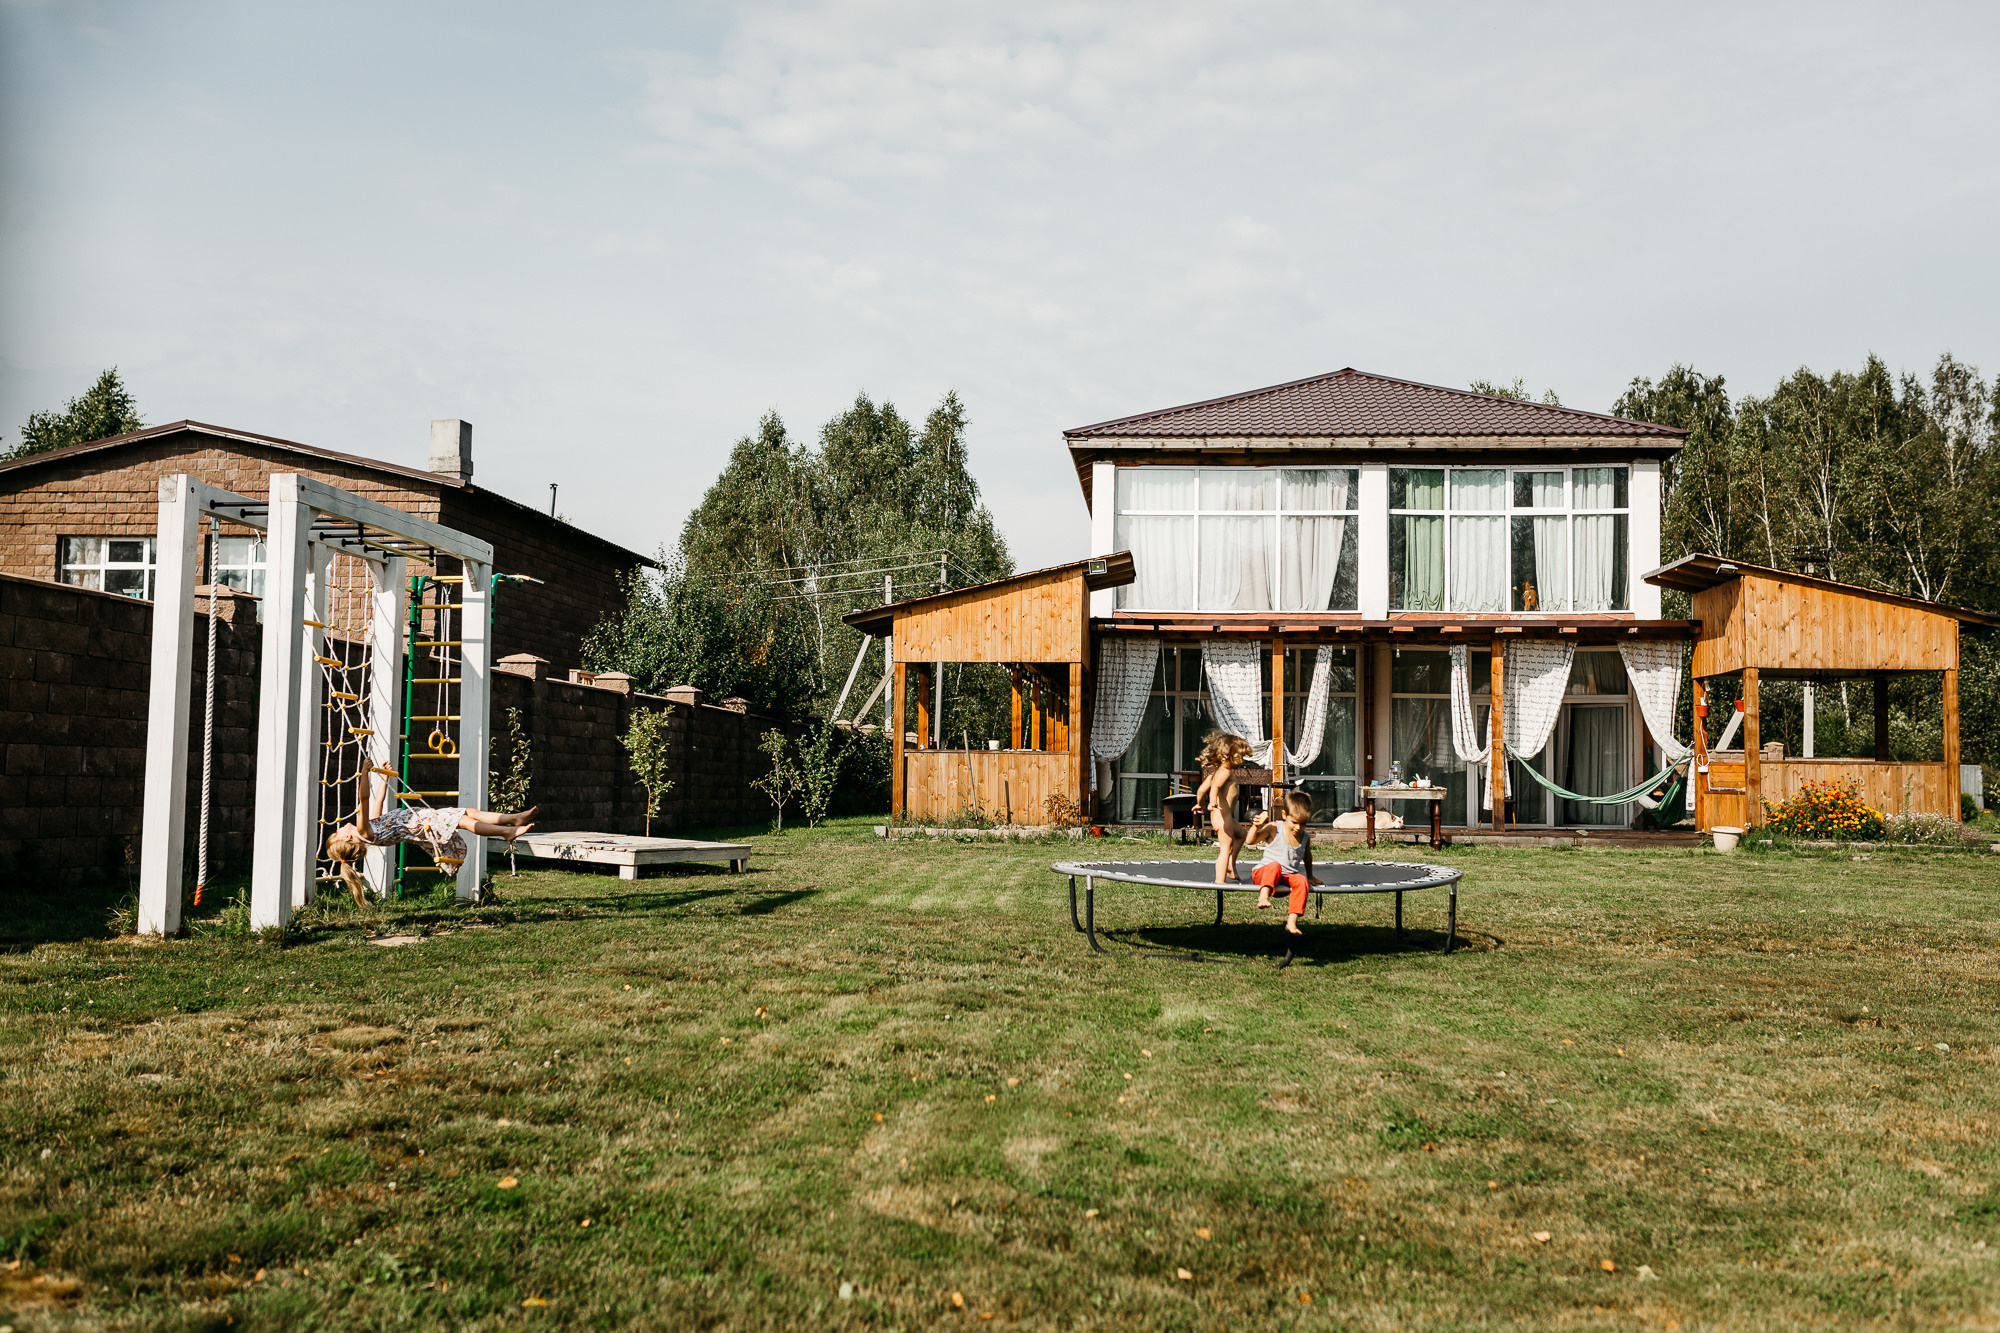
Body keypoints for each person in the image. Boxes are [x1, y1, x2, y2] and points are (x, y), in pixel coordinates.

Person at [324, 767, 537, 906]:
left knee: (468, 812)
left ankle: (515, 818)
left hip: (422, 819)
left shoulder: (370, 828)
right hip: (421, 823)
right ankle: (507, 831)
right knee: (464, 821)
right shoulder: (363, 832)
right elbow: (365, 798)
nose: (339, 828)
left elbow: (377, 802)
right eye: (337, 833)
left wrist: (384, 778)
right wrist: (364, 772)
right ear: (349, 839)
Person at [1246, 789, 1321, 937]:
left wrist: (1310, 876)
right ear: (1284, 815)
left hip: (1285, 878)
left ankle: (1292, 921)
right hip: (1263, 875)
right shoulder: (1275, 828)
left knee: (1301, 880)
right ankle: (1263, 896)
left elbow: (1307, 856)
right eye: (1294, 822)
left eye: (1303, 823)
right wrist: (1256, 826)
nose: (1298, 827)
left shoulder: (1304, 836)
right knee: (1275, 866)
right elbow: (1250, 841)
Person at [1192, 730, 1254, 884]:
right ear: (1233, 755)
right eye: (1242, 756)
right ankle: (1220, 880)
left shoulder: (1215, 773)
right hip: (1223, 819)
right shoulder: (1224, 772)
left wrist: (1199, 804)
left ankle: (1231, 866)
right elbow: (1214, 789)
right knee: (1225, 849)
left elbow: (1201, 790)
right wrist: (1212, 802)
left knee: (1242, 834)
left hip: (1224, 819)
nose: (1243, 760)